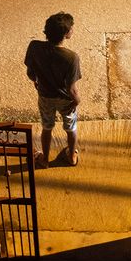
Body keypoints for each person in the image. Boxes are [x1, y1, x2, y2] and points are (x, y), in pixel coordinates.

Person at [24, 12, 81, 169]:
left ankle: (45, 159)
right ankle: (71, 157)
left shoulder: (34, 47)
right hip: (66, 100)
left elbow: (30, 73)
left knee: (47, 127)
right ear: (66, 34)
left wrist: (36, 81)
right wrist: (76, 101)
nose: (73, 29)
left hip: (45, 96)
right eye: (71, 28)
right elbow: (71, 88)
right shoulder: (71, 58)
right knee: (71, 127)